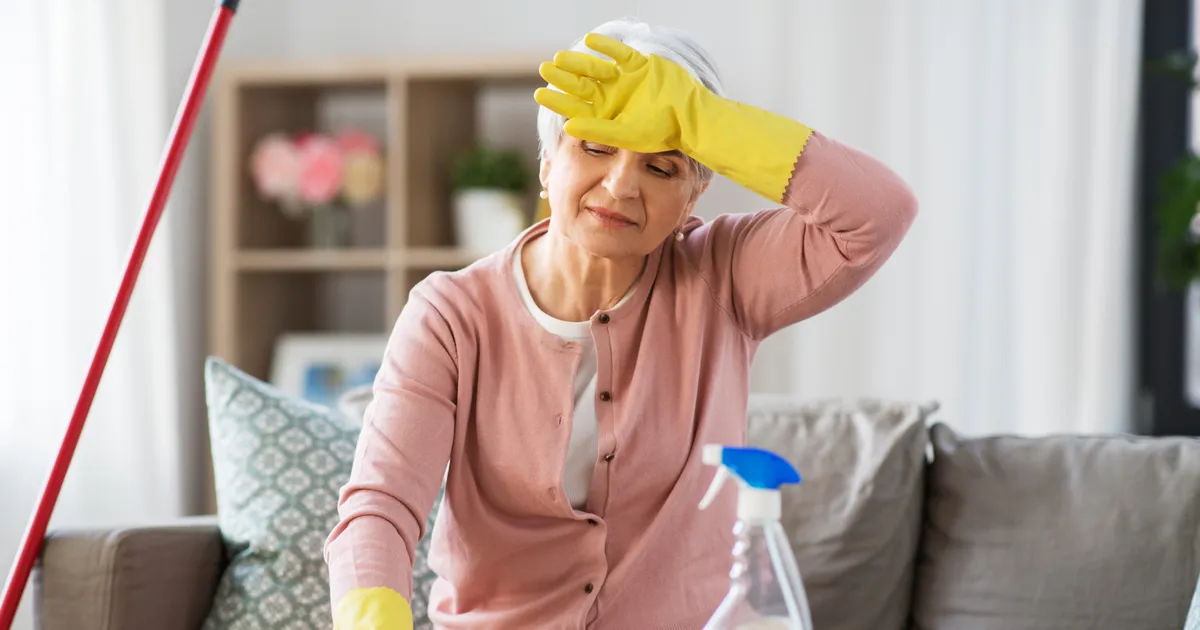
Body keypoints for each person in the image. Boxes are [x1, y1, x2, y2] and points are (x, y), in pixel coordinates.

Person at [324, 17, 917, 630]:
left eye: (661, 167)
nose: (620, 185)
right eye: (597, 147)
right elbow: (380, 508)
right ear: (548, 164)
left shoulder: (725, 275)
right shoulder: (450, 315)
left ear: (693, 196)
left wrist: (703, 119)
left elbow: (879, 213)